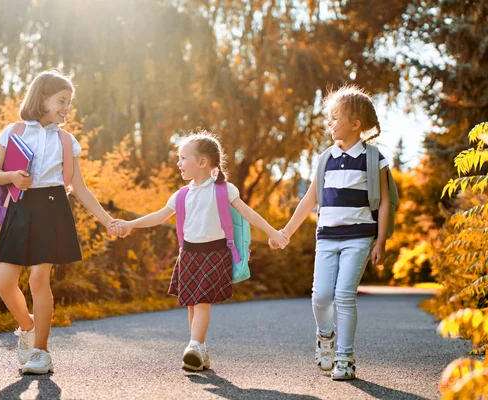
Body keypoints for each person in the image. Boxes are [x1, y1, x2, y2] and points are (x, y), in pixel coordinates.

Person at [109, 131, 289, 371]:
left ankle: (193, 345)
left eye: (183, 158)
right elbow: (158, 217)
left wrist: (272, 232)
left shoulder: (224, 190)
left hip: (214, 254)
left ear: (202, 162)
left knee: (202, 301)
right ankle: (199, 349)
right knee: (192, 304)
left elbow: (249, 214)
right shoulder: (182, 194)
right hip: (189, 254)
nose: (178, 163)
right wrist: (131, 224)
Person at [0, 70, 116, 374]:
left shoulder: (66, 140)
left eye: (69, 103)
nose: (66, 108)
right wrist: (11, 177)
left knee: (38, 279)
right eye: (61, 101)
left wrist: (108, 221)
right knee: (4, 281)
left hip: (51, 207)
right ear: (41, 98)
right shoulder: (14, 131)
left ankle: (41, 352)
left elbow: (80, 189)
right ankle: (28, 327)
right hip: (21, 208)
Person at [272, 85, 390, 380]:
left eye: (335, 117)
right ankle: (326, 337)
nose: (330, 122)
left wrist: (381, 241)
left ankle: (345, 357)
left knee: (344, 295)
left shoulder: (373, 159)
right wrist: (286, 230)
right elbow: (310, 199)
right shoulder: (325, 159)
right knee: (321, 296)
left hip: (360, 236)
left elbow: (386, 201)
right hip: (326, 236)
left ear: (355, 124)